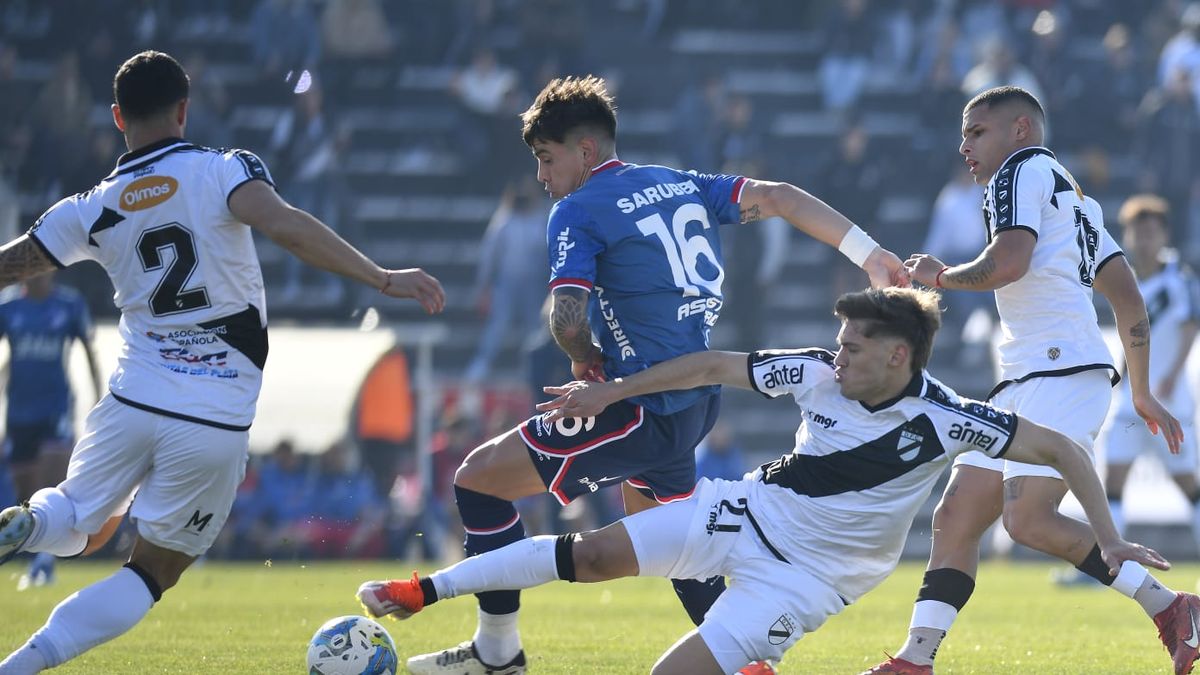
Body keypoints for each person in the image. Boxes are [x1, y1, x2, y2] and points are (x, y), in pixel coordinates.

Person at [357, 287, 1169, 675]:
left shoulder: (952, 417)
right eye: (838, 338)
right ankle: (428, 589)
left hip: (811, 581)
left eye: (854, 345)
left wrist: (1108, 536)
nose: (836, 353)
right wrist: (610, 390)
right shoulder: (815, 372)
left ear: (899, 356)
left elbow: (1063, 448)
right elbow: (713, 363)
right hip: (740, 510)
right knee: (591, 554)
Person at [398, 74, 908, 675]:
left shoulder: (576, 209)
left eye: (545, 158)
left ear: (585, 152)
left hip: (638, 404)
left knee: (478, 481)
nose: (541, 175)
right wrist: (869, 253)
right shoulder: (679, 183)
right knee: (673, 540)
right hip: (692, 397)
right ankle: (742, 660)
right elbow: (780, 197)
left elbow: (565, 318)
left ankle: (496, 652)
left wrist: (583, 361)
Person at [0, 50, 444, 674]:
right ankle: (17, 666)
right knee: (151, 573)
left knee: (76, 519)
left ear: (117, 117)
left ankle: (35, 521)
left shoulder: (91, 205)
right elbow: (286, 226)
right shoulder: (224, 170)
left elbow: (17, 263)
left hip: (133, 395)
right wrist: (380, 277)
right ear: (184, 110)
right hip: (212, 413)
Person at [862, 86, 1195, 675]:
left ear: (1019, 129)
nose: (963, 145)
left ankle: (1172, 608)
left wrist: (939, 275)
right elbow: (1128, 299)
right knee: (957, 516)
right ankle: (916, 660)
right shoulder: (1078, 201)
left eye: (975, 132)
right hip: (1035, 374)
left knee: (1027, 521)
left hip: (1057, 370)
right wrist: (1139, 389)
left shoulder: (1019, 170)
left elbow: (1008, 262)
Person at [1098, 195, 1200, 553]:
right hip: (1130, 401)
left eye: (1151, 232)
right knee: (1112, 481)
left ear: (1164, 235)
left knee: (1189, 485)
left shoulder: (1178, 281)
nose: (1144, 240)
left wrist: (1172, 373)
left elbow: (1190, 327)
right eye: (1137, 232)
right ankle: (1107, 563)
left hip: (1170, 400)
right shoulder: (1124, 280)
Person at [0, 270, 101, 589]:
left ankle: (46, 560)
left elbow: (88, 351)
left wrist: (98, 400)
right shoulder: (9, 307)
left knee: (51, 480)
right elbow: (11, 359)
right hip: (19, 412)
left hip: (55, 408)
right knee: (25, 492)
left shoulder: (69, 305)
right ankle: (38, 556)